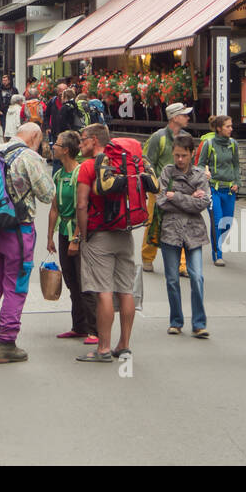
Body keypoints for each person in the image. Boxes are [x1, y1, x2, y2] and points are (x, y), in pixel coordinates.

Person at [0, 123, 55, 363]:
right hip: (19, 231)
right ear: (35, 136)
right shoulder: (29, 157)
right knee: (15, 287)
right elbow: (48, 194)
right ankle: (6, 343)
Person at [74, 124, 145, 362]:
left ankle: (103, 348)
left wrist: (84, 236)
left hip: (99, 234)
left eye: (83, 139)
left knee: (103, 291)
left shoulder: (88, 166)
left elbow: (81, 205)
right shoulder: (123, 164)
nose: (80, 144)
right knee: (125, 290)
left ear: (94, 140)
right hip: (125, 232)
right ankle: (123, 345)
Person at [157, 132, 212, 337]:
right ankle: (176, 321)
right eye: (177, 155)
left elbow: (203, 203)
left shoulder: (199, 175)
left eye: (184, 155)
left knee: (197, 277)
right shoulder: (167, 172)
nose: (180, 160)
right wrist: (189, 197)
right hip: (170, 231)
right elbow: (162, 200)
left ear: (192, 154)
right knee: (172, 279)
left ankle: (199, 323)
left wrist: (177, 196)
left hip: (193, 232)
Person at [46, 130, 97, 343]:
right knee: (70, 281)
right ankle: (79, 326)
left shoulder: (78, 173)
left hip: (78, 232)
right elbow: (55, 208)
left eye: (56, 144)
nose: (53, 146)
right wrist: (50, 237)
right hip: (63, 232)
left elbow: (80, 208)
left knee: (84, 281)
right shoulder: (58, 175)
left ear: (66, 150)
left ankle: (94, 330)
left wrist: (76, 239)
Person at [143, 103, 193, 273]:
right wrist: (156, 187)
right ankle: (147, 258)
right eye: (184, 115)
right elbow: (149, 163)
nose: (187, 117)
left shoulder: (186, 137)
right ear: (174, 117)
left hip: (180, 190)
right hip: (159, 190)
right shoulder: (159, 137)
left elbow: (189, 163)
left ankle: (182, 265)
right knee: (154, 223)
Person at [195, 114, 240, 267]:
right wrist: (204, 172)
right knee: (217, 221)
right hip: (213, 189)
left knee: (227, 224)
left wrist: (236, 182)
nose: (231, 129)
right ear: (219, 128)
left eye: (231, 126)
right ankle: (217, 254)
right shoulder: (209, 144)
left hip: (229, 190)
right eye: (228, 126)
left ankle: (217, 244)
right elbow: (200, 165)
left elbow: (236, 165)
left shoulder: (233, 144)